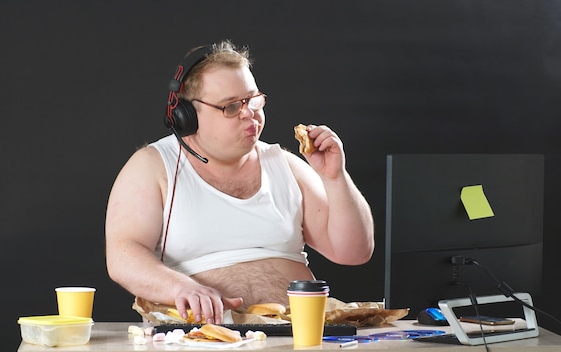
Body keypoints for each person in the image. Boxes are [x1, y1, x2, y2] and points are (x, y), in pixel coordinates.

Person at [105, 39, 374, 325]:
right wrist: (179, 287)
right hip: (202, 340)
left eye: (253, 100)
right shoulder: (153, 166)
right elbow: (123, 255)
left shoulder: (285, 165)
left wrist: (335, 177)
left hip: (300, 333)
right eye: (231, 107)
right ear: (187, 117)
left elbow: (354, 252)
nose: (250, 114)